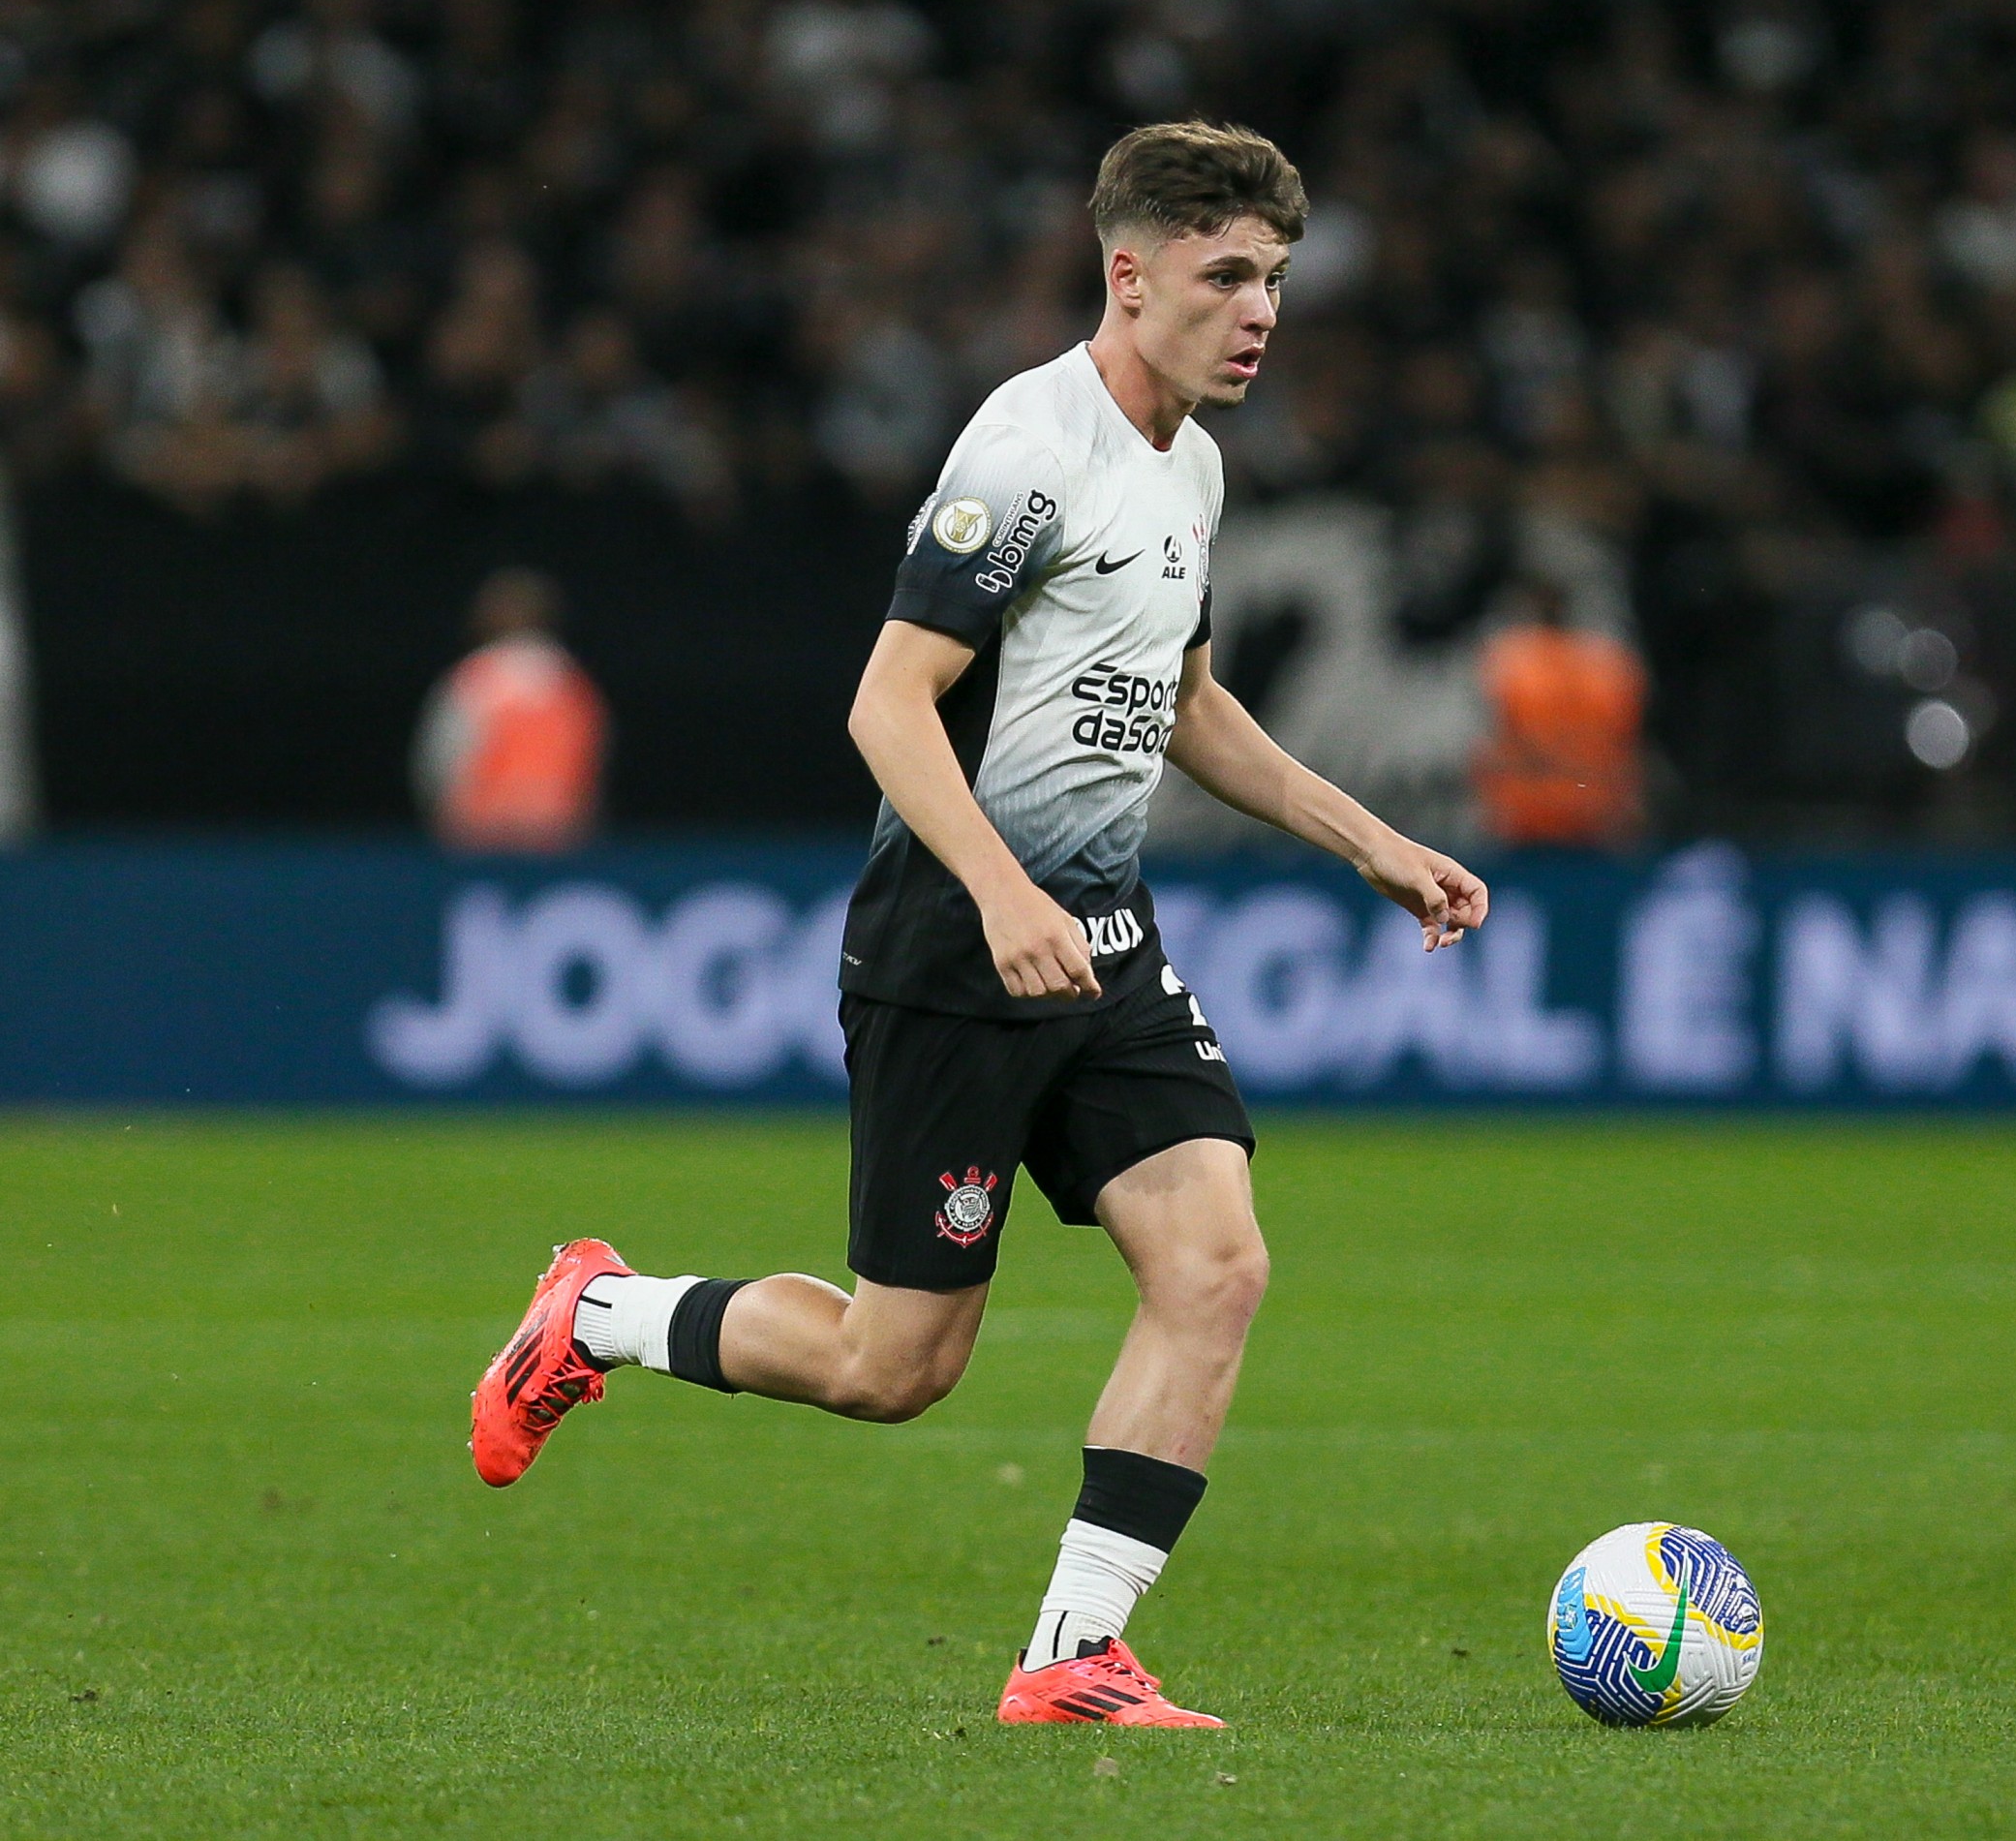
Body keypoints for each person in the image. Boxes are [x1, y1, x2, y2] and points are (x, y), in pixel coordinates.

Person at [468, 123, 1488, 1729]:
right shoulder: (1027, 448)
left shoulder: (1195, 467)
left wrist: (1372, 839)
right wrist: (1004, 892)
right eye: (1227, 277)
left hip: (1106, 942)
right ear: (1128, 273)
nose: (1259, 313)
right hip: (959, 949)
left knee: (1215, 1262)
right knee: (897, 1366)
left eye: (1275, 281)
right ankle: (598, 1308)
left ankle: (1075, 1650)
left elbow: (1193, 707)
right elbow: (887, 701)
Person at [412, 567, 606, 852]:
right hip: (557, 845)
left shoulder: (475, 681)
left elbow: (436, 767)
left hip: (479, 845)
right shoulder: (575, 685)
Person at [1473, 578, 1646, 846]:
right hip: (1594, 811)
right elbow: (1627, 740)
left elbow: (1492, 733)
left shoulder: (1508, 660)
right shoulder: (1611, 664)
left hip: (1525, 811)